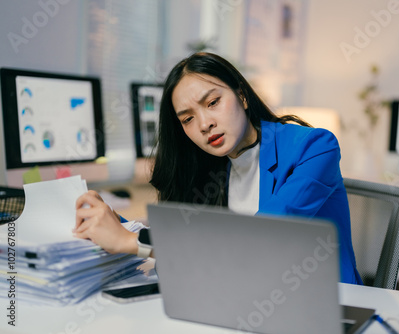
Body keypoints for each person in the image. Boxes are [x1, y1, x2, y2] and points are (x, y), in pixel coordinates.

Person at [74, 52, 362, 284]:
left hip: (320, 304)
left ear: (243, 96)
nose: (204, 124)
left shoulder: (314, 147)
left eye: (212, 102)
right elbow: (193, 250)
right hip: (243, 294)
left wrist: (130, 241)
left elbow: (262, 237)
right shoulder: (211, 168)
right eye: (187, 119)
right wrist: (117, 223)